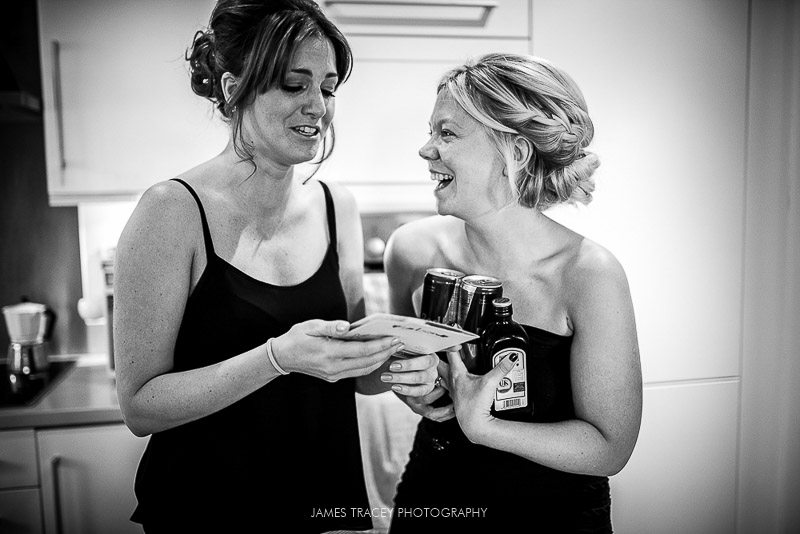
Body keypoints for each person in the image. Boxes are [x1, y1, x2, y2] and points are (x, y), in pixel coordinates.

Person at [113, 1, 438, 532]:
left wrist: (409, 367)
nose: (319, 107)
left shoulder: (338, 207)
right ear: (233, 86)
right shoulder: (171, 211)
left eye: (328, 88)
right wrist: (276, 358)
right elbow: (141, 406)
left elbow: (350, 369)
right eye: (295, 84)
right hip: (204, 513)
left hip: (320, 508)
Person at [385, 53, 642, 533]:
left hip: (552, 516)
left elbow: (610, 447)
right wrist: (416, 388)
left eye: (447, 133)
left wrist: (485, 429)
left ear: (516, 153)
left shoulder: (588, 275)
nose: (425, 150)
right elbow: (408, 375)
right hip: (431, 502)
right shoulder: (412, 251)